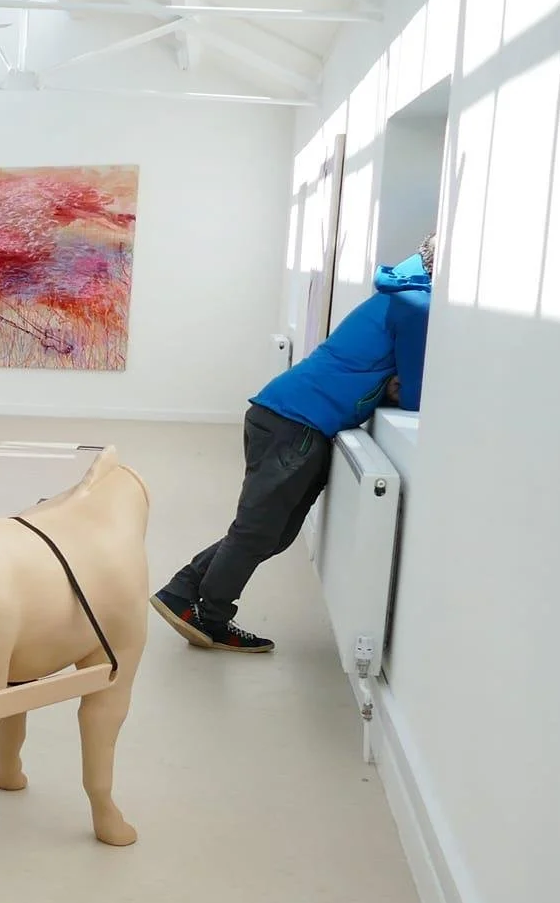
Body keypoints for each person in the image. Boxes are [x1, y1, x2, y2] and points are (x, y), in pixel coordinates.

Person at [153, 234, 435, 653]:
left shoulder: (401, 295)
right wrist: (394, 388)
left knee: (273, 535)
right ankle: (209, 617)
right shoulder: (415, 305)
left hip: (291, 419)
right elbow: (415, 395)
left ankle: (182, 593)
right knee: (256, 533)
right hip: (294, 423)